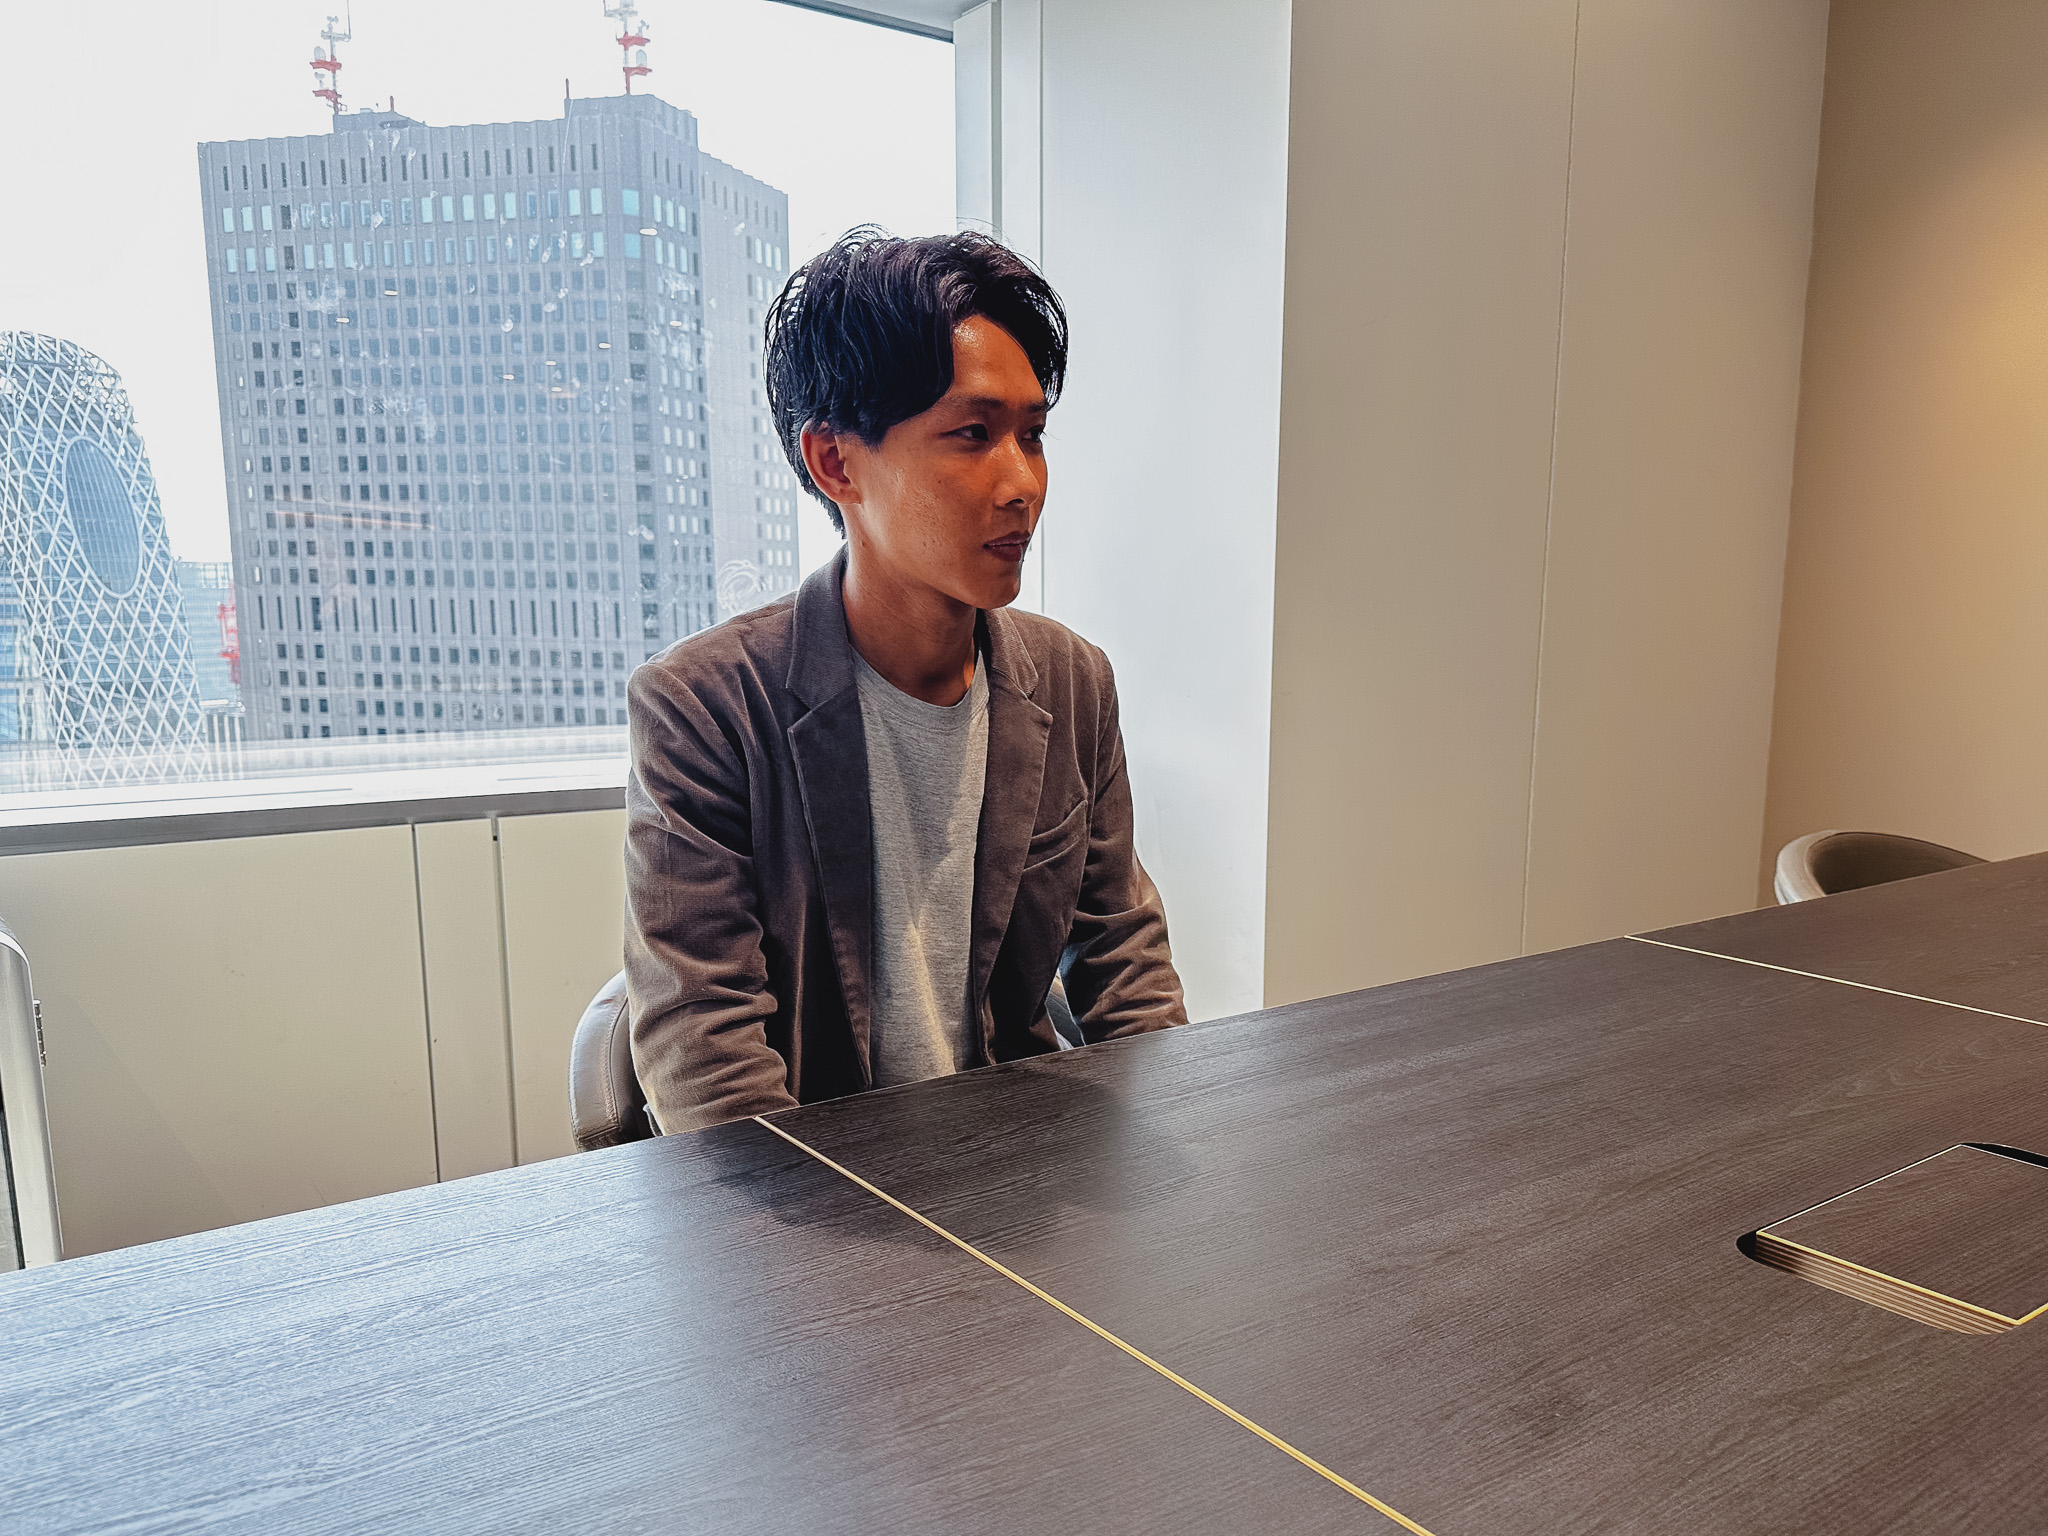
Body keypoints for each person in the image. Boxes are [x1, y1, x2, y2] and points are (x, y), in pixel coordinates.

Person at [623, 228, 1185, 1132]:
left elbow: (1127, 970)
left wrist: (1177, 1154)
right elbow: (706, 1056)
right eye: (973, 435)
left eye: (1032, 435)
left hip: (1024, 1170)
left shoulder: (1072, 682)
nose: (1023, 484)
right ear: (834, 461)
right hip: (816, 1186)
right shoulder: (705, 707)